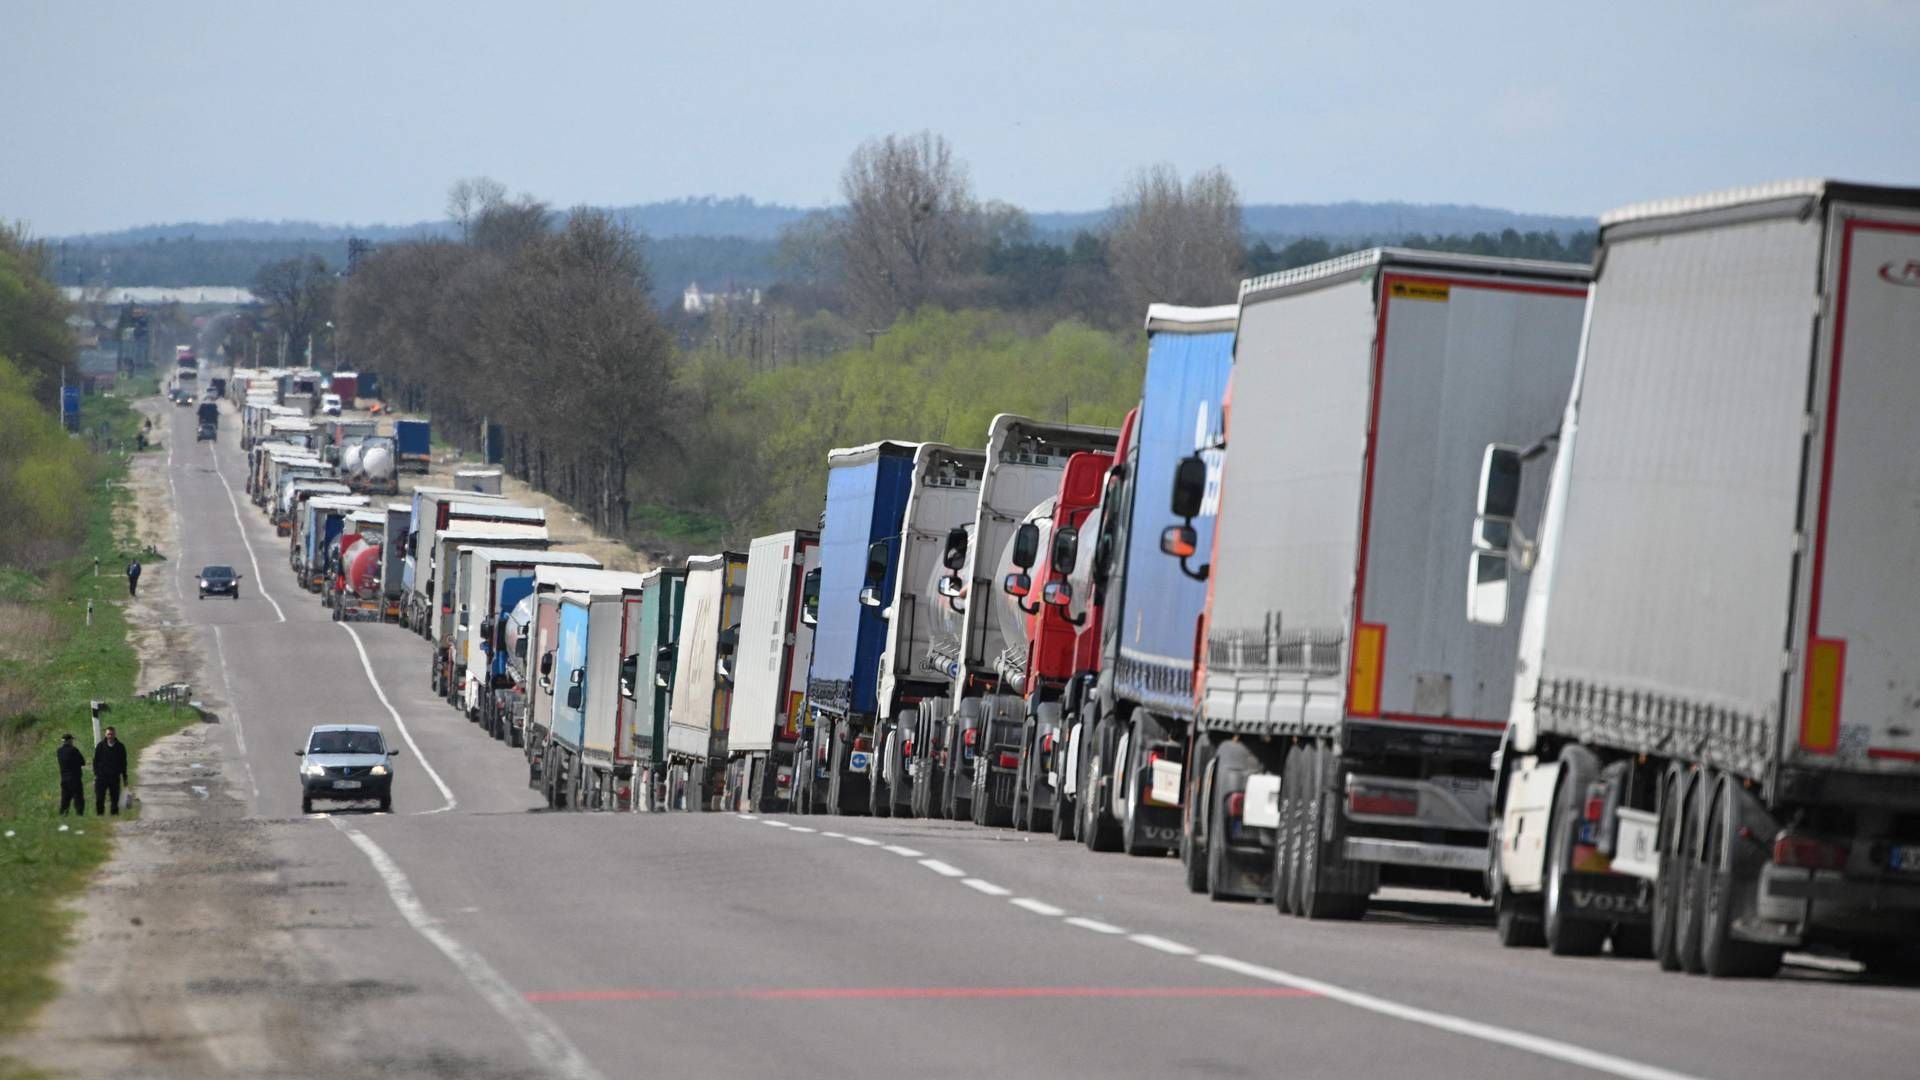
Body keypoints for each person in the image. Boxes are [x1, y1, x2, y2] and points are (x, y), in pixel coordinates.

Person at [94, 726, 129, 815]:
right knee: (100, 798)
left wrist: (125, 777)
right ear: (105, 735)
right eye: (108, 734)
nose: (110, 736)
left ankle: (114, 815)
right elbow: (96, 761)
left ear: (115, 734)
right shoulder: (100, 746)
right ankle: (100, 815)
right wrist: (97, 773)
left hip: (114, 777)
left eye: (112, 734)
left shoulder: (120, 747)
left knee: (115, 799)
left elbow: (123, 763)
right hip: (102, 777)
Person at [57, 734, 86, 816]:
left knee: (65, 799)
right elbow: (82, 762)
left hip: (64, 779)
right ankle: (79, 815)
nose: (72, 742)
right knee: (78, 798)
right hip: (74, 778)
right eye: (72, 740)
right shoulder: (74, 750)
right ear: (69, 741)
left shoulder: (59, 751)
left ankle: (63, 814)